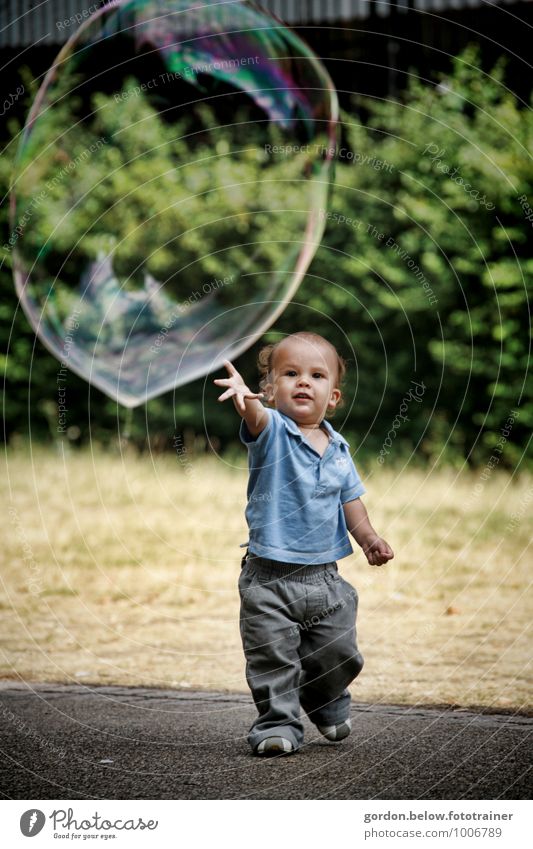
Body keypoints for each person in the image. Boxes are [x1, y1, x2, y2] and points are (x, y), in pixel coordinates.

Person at [214, 332, 394, 756]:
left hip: (325, 581)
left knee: (340, 654)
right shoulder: (272, 431)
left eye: (315, 375)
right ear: (271, 389)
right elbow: (255, 418)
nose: (302, 382)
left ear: (332, 397)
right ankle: (277, 725)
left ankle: (326, 701)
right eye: (290, 373)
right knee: (271, 658)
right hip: (267, 579)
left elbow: (351, 502)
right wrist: (246, 399)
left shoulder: (339, 450)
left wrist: (368, 539)